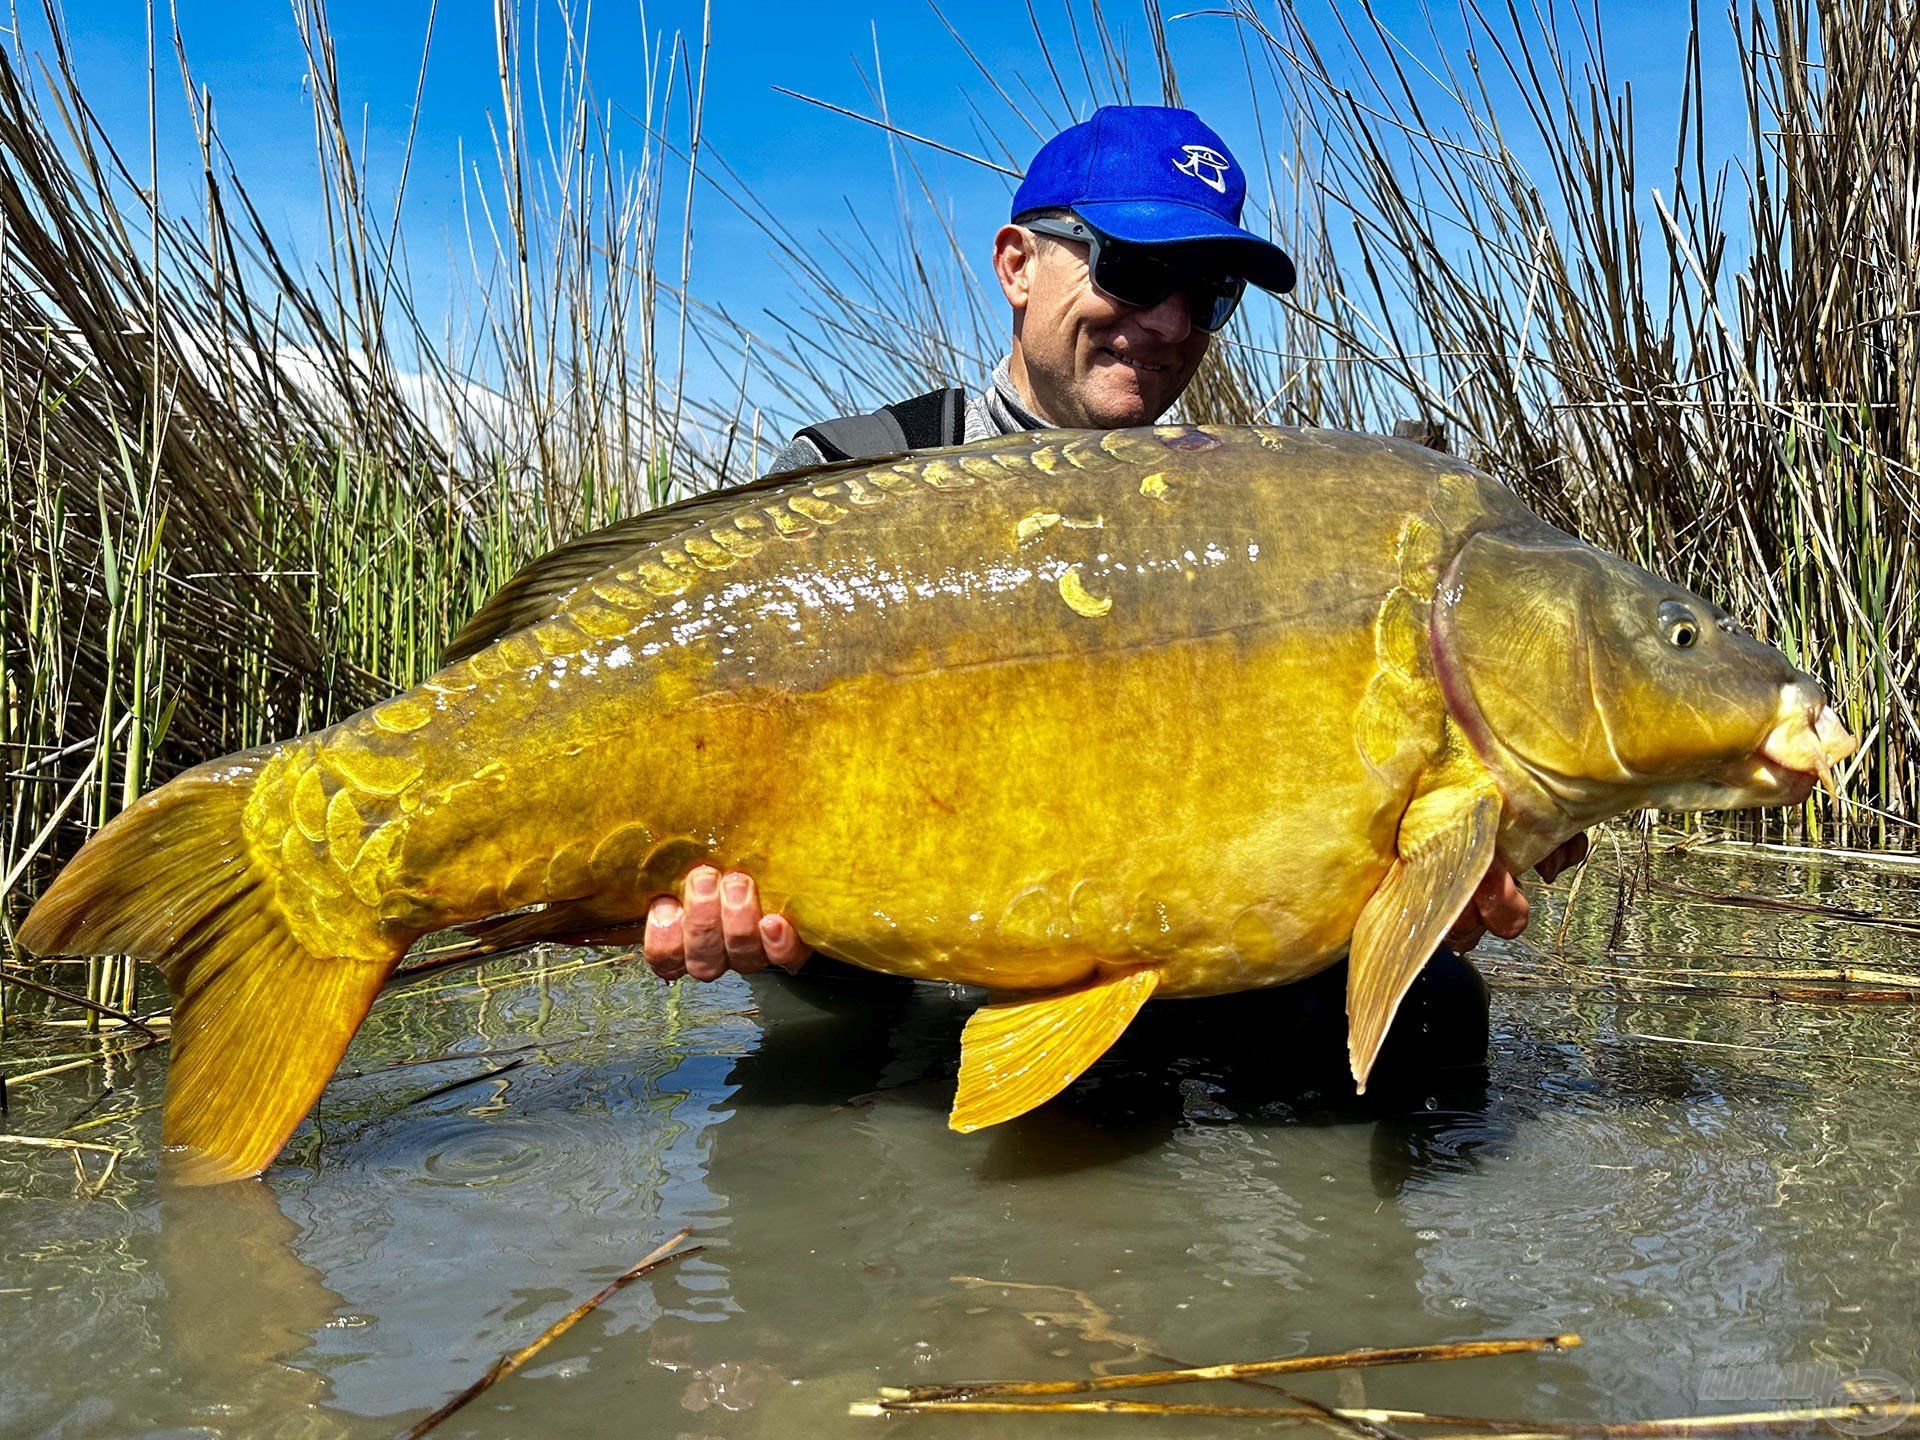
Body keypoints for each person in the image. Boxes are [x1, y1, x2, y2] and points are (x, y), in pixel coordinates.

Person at [639, 104, 1587, 990]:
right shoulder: (842, 477)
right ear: (1016, 263)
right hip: (882, 995)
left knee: (1442, 1009)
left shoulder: (1279, 521)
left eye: (1206, 293)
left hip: (1155, 970)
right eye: (1130, 269)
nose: (1169, 321)